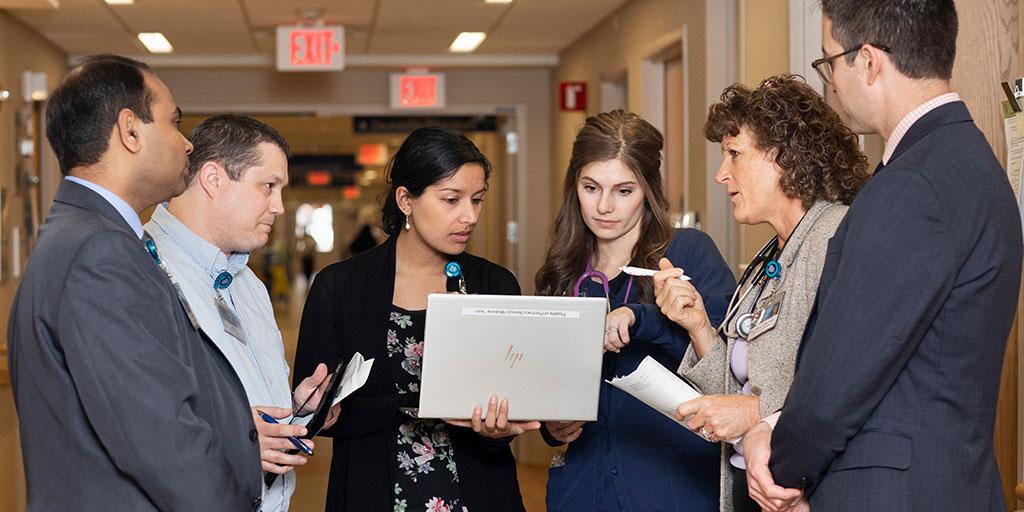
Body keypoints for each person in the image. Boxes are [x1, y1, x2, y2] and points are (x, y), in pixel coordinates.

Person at [742, 2, 1024, 511]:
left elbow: (837, 382)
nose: (829, 80)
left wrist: (777, 462)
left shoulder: (910, 186)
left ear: (868, 61)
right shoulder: (976, 169)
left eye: (829, 61)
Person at [7, 55, 263, 510]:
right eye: (173, 122)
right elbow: (161, 436)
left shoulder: (85, 234)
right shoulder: (99, 253)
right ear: (130, 130)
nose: (187, 144)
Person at [292, 126, 538, 512]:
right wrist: (317, 410)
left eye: (477, 200)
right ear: (405, 199)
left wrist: (497, 431)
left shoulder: (493, 282)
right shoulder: (340, 287)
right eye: (451, 200)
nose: (469, 216)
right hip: (374, 489)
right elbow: (317, 413)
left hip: (479, 489)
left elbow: (508, 401)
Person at [652, 75, 868, 512]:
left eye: (734, 154)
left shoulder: (835, 237)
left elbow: (848, 382)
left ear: (786, 157)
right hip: (751, 483)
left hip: (800, 491)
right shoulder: (773, 252)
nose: (720, 174)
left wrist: (755, 413)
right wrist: (697, 325)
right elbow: (738, 392)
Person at [534, 109, 736, 512]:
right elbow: (548, 382)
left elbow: (731, 368)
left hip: (672, 489)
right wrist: (552, 426)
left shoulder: (688, 253)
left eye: (623, 191)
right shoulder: (563, 272)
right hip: (583, 489)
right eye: (591, 187)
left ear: (648, 189)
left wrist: (642, 319)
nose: (604, 206)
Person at [144, 114, 340, 511]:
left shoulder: (248, 285)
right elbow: (134, 421)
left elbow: (245, 403)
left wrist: (295, 408)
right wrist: (238, 434)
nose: (279, 207)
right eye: (268, 187)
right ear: (213, 179)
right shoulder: (140, 270)